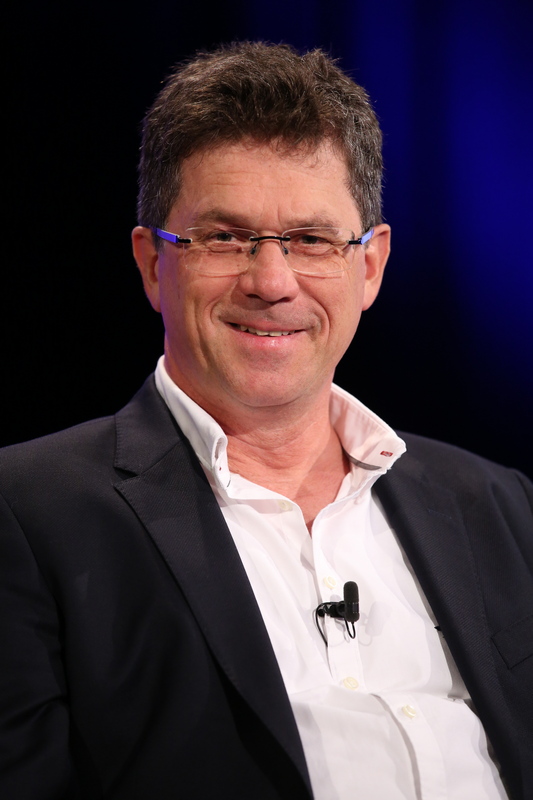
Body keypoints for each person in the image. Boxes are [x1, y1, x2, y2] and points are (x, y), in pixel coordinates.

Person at [0, 42, 532, 800]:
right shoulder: (27, 512)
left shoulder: (503, 507)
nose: (272, 282)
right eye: (225, 238)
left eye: (312, 240)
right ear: (152, 265)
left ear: (370, 267)